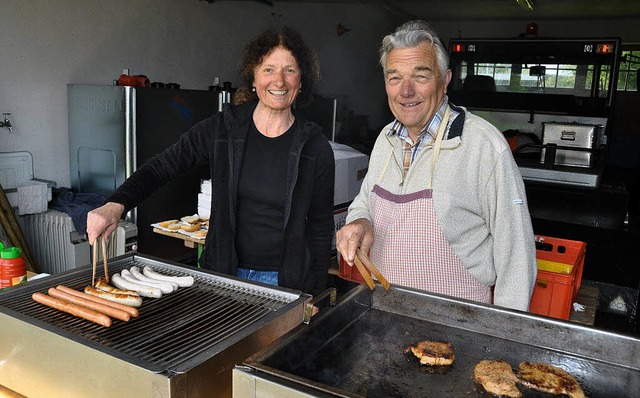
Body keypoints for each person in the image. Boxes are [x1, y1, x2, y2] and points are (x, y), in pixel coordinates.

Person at [86, 27, 335, 296]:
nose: (279, 81)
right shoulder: (223, 130)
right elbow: (163, 166)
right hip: (223, 273)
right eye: (268, 69)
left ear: (301, 80)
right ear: (253, 77)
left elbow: (321, 226)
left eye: (290, 70)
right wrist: (115, 205)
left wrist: (316, 294)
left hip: (286, 282)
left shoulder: (315, 146)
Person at [336, 20, 537, 311]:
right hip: (385, 313)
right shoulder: (385, 139)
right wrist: (360, 222)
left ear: (444, 80)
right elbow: (363, 203)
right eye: (394, 78)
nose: (406, 91)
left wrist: (505, 331)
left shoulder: (482, 145)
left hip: (460, 323)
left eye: (420, 76)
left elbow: (516, 252)